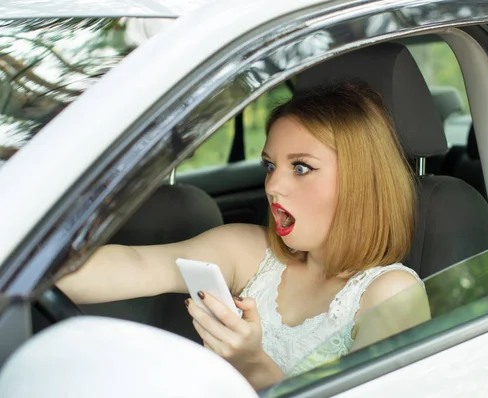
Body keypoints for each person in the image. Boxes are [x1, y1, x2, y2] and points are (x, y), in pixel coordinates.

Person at [57, 82, 431, 390]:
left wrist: (252, 364)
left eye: (301, 167)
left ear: (360, 183)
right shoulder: (249, 250)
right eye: (270, 166)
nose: (273, 185)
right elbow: (136, 265)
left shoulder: (390, 295)